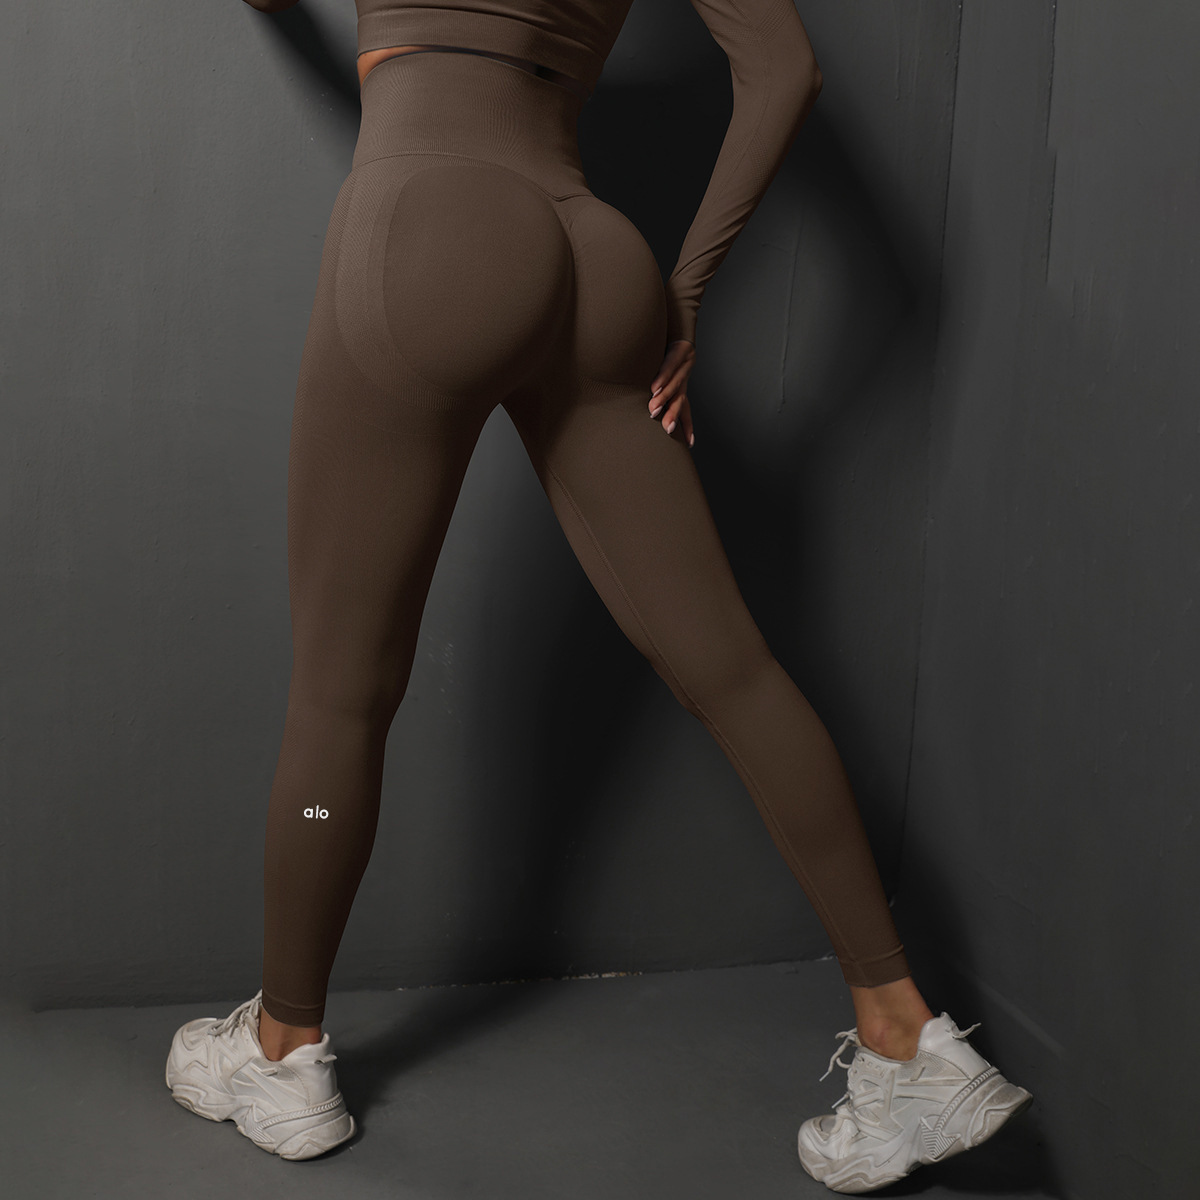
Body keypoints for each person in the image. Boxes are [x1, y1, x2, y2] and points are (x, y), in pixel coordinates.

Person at [166, 0, 1032, 1189]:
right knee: (735, 669)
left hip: (427, 224)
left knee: (342, 689)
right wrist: (687, 289)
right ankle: (907, 1035)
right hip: (594, 254)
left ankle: (281, 1051)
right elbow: (784, 70)